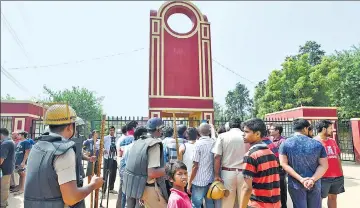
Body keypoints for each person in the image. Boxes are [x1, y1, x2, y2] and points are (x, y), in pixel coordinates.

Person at [24, 104, 103, 207]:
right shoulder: (63, 151)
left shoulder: (37, 146)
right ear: (70, 126)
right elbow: (71, 198)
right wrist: (93, 185)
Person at [279, 119, 328, 208]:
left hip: (296, 184)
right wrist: (312, 179)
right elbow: (324, 165)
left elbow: (283, 164)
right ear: (305, 128)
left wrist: (301, 179)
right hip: (314, 183)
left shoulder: (285, 144)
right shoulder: (317, 144)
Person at [122, 117, 168, 208]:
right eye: (162, 129)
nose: (162, 131)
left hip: (135, 186)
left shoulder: (139, 141)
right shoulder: (154, 145)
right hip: (148, 188)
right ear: (158, 129)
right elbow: (152, 173)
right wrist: (168, 169)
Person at [240, 118, 281, 208]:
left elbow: (247, 188)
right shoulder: (270, 152)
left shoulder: (251, 155)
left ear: (258, 134)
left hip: (258, 204)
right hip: (275, 204)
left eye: (246, 132)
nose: (243, 134)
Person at [212, 118, 245, 208]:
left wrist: (216, 175)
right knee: (243, 201)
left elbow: (217, 156)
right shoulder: (246, 136)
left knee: (227, 202)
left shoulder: (222, 136)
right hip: (244, 173)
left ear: (228, 126)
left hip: (228, 172)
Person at [188, 123, 220, 208]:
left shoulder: (198, 145)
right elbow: (214, 136)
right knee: (209, 203)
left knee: (196, 205)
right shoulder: (214, 142)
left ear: (198, 131)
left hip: (199, 181)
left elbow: (195, 166)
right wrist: (212, 128)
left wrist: (189, 183)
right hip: (210, 180)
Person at [315, 120, 344, 208]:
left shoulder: (332, 141)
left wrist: (341, 172)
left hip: (337, 176)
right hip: (323, 177)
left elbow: (337, 156)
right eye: (330, 128)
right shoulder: (314, 142)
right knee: (318, 199)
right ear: (324, 129)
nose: (332, 130)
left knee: (333, 198)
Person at [117, 126, 147, 208]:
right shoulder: (144, 147)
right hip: (140, 181)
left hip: (129, 180)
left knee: (129, 203)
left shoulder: (128, 147)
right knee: (139, 204)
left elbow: (123, 163)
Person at [269, 124, 287, 207]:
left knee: (281, 190)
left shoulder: (283, 141)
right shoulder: (270, 139)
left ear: (277, 131)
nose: (270, 130)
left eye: (272, 129)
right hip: (270, 168)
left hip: (279, 169)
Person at [12, 131, 32, 195]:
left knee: (22, 175)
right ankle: (19, 187)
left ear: (22, 135)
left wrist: (23, 162)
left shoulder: (26, 142)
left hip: (21, 161)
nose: (17, 136)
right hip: (17, 161)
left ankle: (22, 189)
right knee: (20, 174)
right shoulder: (20, 142)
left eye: (19, 135)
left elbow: (27, 152)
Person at [0, 128, 16, 208]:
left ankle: (2, 204)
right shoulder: (9, 141)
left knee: (3, 187)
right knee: (4, 187)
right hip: (8, 168)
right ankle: (4, 202)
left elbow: (1, 158)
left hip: (5, 169)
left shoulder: (5, 144)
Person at [103, 126, 119, 194]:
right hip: (107, 158)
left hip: (114, 158)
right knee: (105, 174)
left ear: (114, 131)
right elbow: (99, 144)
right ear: (109, 131)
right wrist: (104, 149)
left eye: (113, 130)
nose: (111, 131)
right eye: (110, 130)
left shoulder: (117, 138)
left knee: (113, 174)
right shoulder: (105, 138)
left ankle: (111, 188)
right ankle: (103, 190)